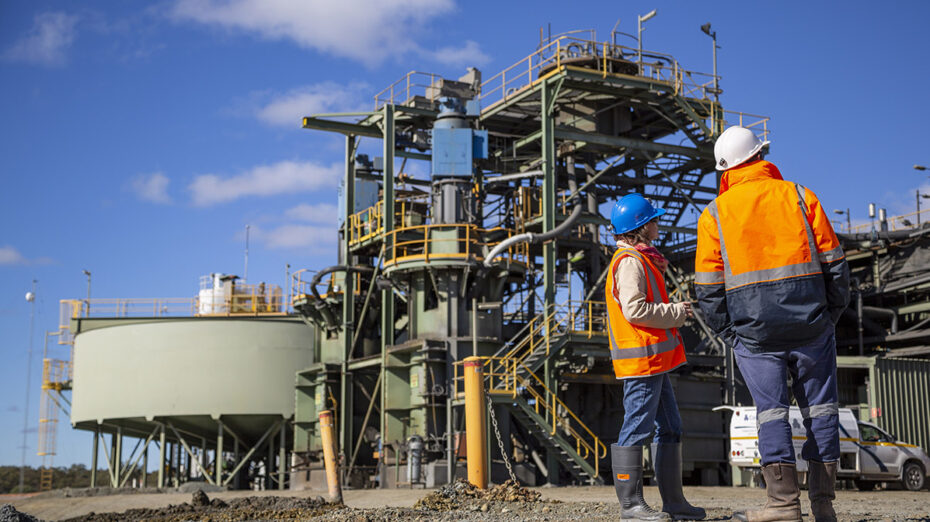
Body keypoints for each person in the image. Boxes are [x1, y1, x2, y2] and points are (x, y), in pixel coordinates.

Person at [695, 126, 850, 522]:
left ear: (726, 170)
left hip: (754, 335)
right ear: (762, 156)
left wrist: (733, 335)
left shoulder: (714, 215)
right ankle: (824, 506)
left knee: (770, 414)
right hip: (812, 326)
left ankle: (782, 506)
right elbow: (836, 266)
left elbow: (708, 291)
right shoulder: (800, 196)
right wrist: (827, 317)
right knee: (822, 411)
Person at [606, 193, 706, 521]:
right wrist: (675, 312)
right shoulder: (631, 261)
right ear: (641, 226)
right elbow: (635, 310)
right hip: (643, 361)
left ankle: (674, 503)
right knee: (636, 428)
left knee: (671, 428)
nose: (658, 223)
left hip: (655, 362)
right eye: (654, 219)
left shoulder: (643, 259)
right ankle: (631, 507)